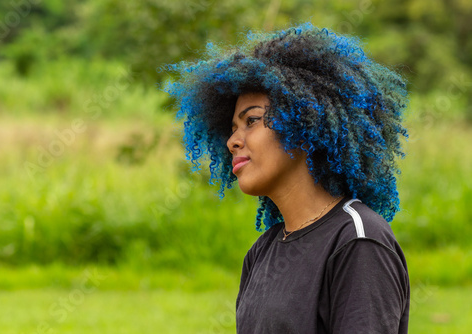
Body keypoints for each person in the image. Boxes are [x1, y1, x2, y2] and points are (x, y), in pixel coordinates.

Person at [165, 22, 410, 333]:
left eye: (251, 120)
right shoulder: (263, 251)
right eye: (231, 130)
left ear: (305, 123)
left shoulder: (357, 240)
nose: (233, 141)